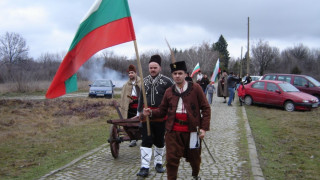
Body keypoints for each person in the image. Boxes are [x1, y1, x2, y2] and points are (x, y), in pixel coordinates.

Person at [143, 61, 211, 180]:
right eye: (175, 73)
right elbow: (162, 110)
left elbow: (206, 108)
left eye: (180, 73)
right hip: (173, 132)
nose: (177, 76)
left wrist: (203, 128)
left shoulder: (195, 88)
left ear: (186, 74)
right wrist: (151, 112)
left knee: (194, 158)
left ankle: (195, 174)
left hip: (192, 131)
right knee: (171, 160)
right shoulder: (169, 91)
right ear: (172, 75)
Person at [136, 55, 174, 177]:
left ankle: (158, 164)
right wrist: (139, 113)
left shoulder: (168, 82)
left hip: (161, 117)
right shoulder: (144, 80)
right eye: (151, 67)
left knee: (159, 140)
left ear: (160, 68)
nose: (153, 69)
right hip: (146, 117)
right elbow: (141, 98)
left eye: (155, 67)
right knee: (146, 141)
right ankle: (144, 167)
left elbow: (172, 99)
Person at [119, 64, 141, 147]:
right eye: (129, 73)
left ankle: (142, 136)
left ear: (136, 73)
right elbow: (123, 97)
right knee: (130, 123)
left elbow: (145, 95)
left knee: (141, 123)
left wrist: (138, 100)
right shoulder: (126, 85)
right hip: (130, 108)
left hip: (140, 107)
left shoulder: (141, 82)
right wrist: (128, 100)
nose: (130, 74)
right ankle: (133, 139)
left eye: (132, 73)